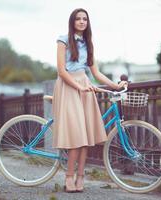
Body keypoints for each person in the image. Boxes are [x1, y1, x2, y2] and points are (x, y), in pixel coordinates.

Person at [52, 8, 128, 193]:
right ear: (72, 22)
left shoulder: (88, 43)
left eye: (84, 19)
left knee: (85, 138)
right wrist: (79, 87)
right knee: (77, 136)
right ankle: (68, 177)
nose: (81, 21)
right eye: (78, 19)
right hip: (69, 86)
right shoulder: (63, 40)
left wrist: (115, 86)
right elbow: (61, 71)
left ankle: (80, 177)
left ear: (88, 22)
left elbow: (95, 73)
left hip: (84, 85)